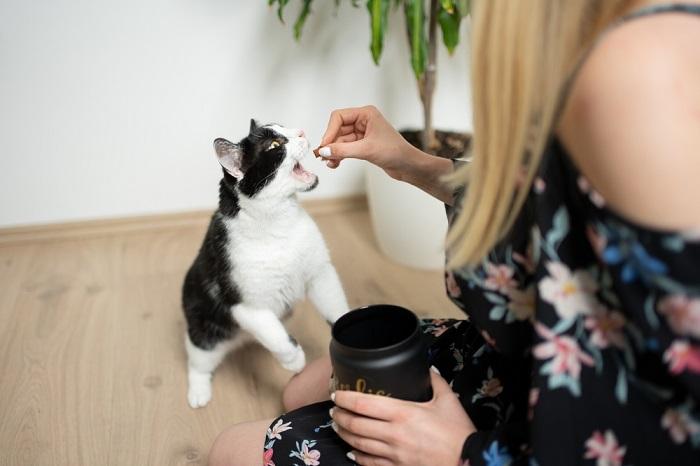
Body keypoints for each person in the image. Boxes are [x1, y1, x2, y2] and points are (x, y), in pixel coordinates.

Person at [209, 1, 700, 464]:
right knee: (305, 387)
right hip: (538, 354)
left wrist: (459, 452)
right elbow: (533, 208)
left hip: (575, 430)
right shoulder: (599, 40)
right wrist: (410, 163)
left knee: (233, 449)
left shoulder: (646, 73)